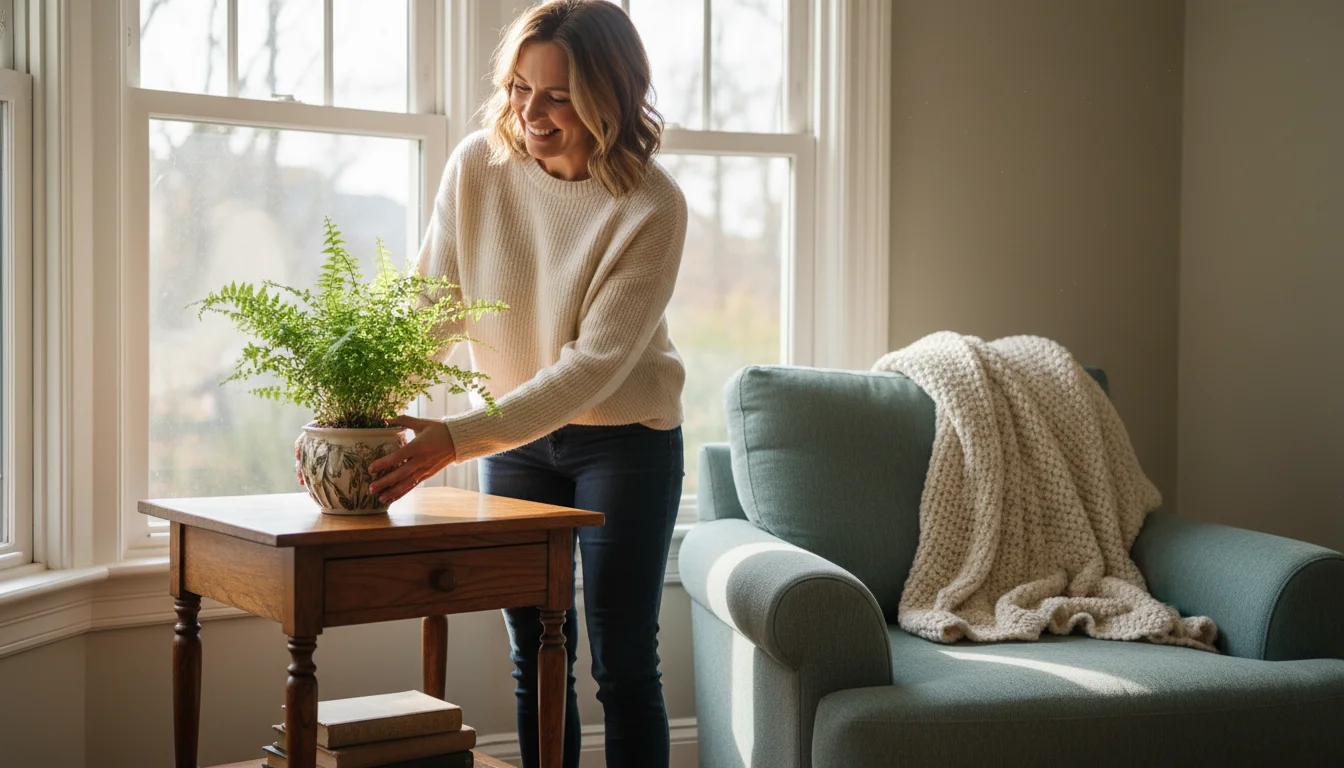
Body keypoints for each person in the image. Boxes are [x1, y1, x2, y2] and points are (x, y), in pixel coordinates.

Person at [364, 2, 688, 767]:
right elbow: (429, 309)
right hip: (515, 442)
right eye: (519, 87)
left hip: (626, 445)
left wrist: (456, 437)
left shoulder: (652, 205)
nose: (529, 112)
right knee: (538, 659)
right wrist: (362, 411)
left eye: (558, 96)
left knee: (622, 665)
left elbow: (594, 366)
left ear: (611, 95)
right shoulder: (478, 166)